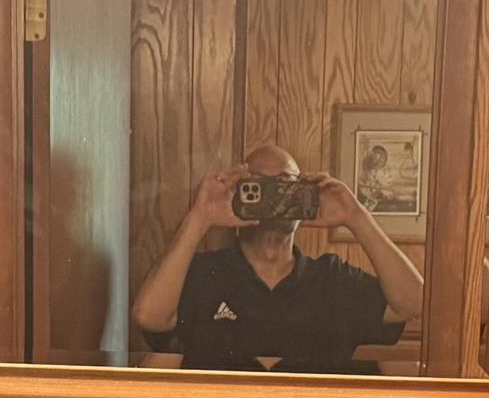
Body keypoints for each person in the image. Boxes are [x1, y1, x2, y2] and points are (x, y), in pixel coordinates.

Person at [130, 142, 425, 373]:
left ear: (306, 194)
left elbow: (416, 303)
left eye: (286, 185)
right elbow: (149, 317)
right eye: (258, 185)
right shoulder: (205, 274)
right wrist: (200, 217)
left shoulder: (333, 280)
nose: (273, 197)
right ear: (238, 194)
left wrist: (357, 216)